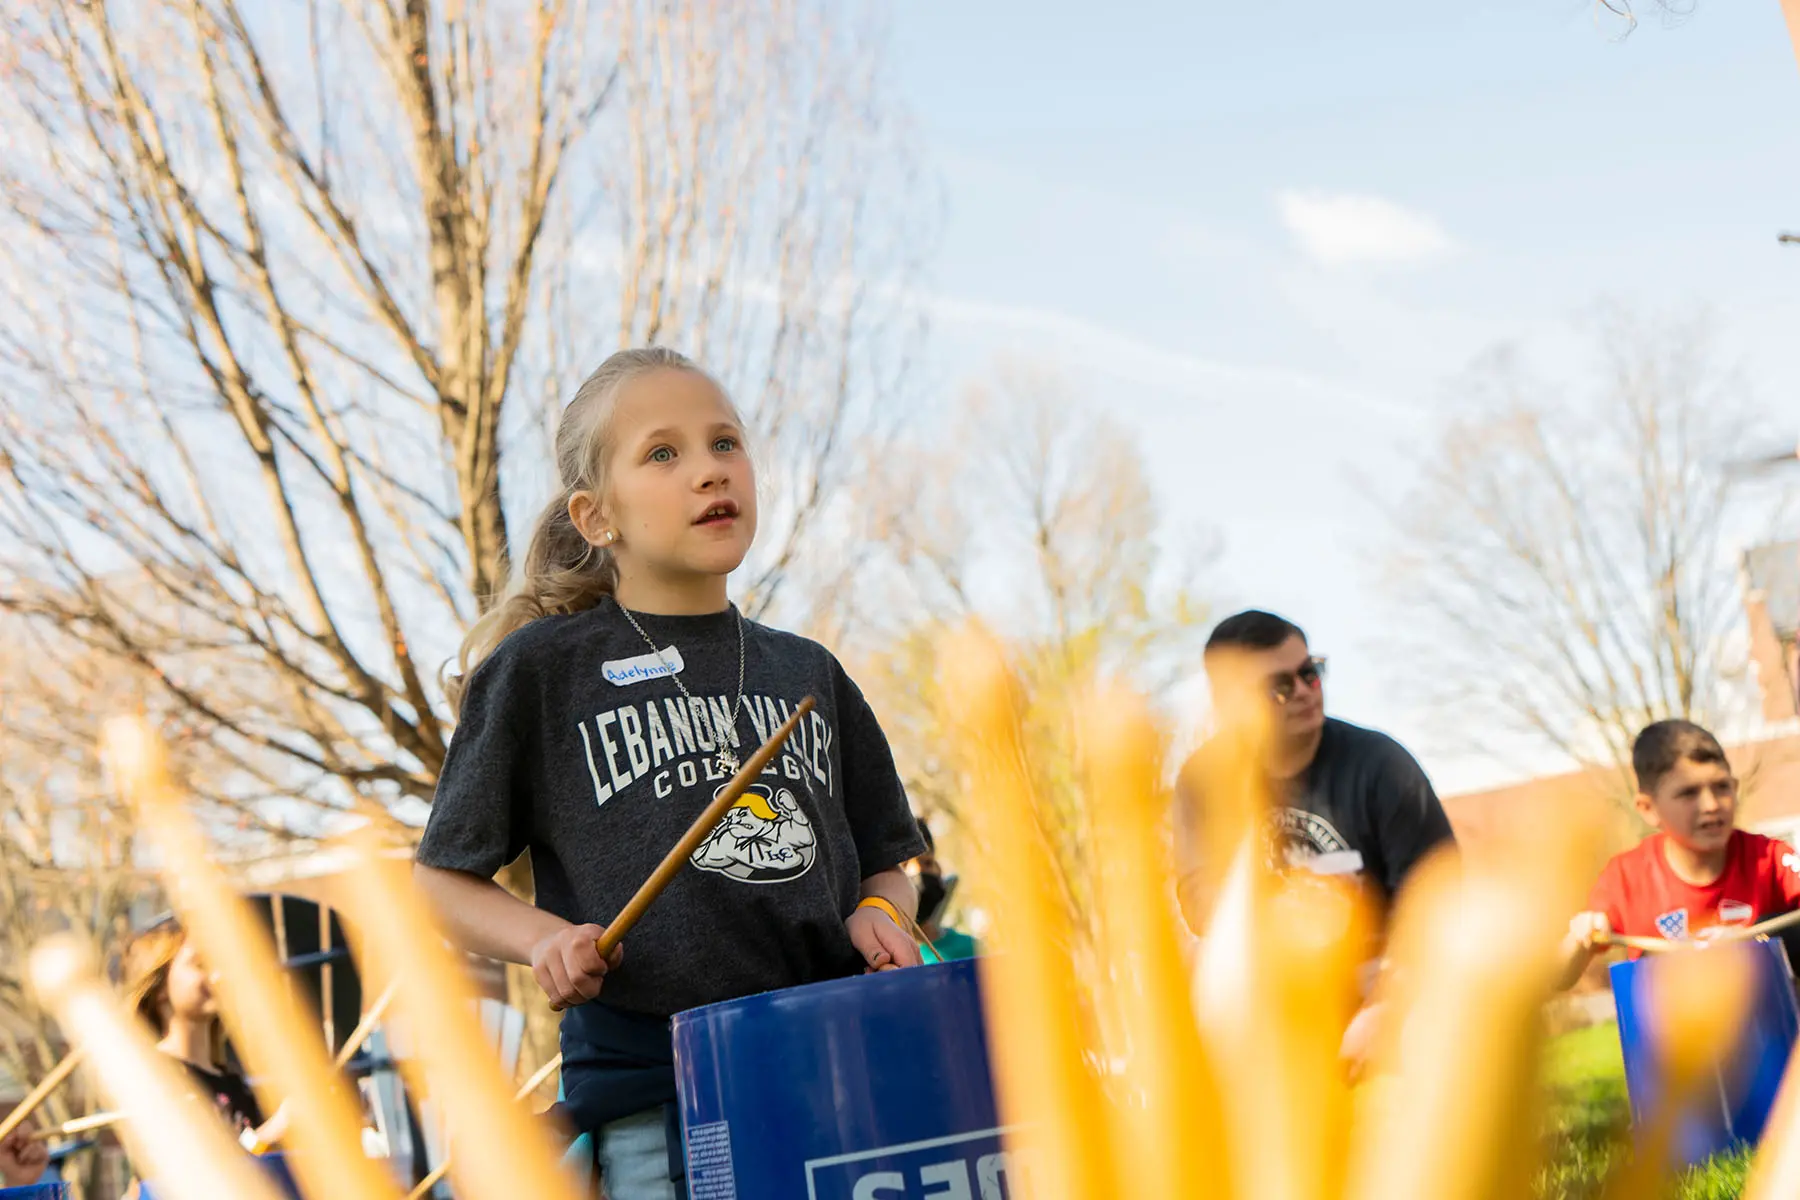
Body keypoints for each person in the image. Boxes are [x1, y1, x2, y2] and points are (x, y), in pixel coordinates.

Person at [413, 347, 926, 1200]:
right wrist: (543, 941)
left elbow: (887, 860)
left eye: (726, 444)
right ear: (596, 516)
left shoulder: (810, 673)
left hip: (832, 1080)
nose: (708, 471)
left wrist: (880, 911)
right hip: (658, 1103)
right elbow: (439, 886)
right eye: (664, 453)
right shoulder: (541, 673)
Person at [1173, 610, 1456, 931]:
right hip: (1271, 975)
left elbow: (1440, 898)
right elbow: (1201, 903)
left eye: (1309, 672)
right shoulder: (1205, 780)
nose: (1304, 691)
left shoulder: (1383, 766)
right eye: (1279, 686)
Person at [1559, 719, 1800, 988]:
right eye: (1689, 793)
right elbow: (1558, 978)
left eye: (1721, 787)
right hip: (1669, 1028)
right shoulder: (1625, 877)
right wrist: (1579, 938)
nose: (1711, 804)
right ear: (1648, 808)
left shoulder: (1772, 857)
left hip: (1770, 1022)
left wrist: (1762, 936)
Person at [118, 917, 272, 1144]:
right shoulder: (155, 1076)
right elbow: (193, 1170)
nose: (219, 976)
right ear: (160, 987)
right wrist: (270, 1133)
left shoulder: (232, 1082)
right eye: (200, 965)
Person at [911, 820, 978, 963]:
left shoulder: (973, 950)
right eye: (905, 865)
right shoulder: (884, 962)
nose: (919, 871)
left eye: (927, 863)